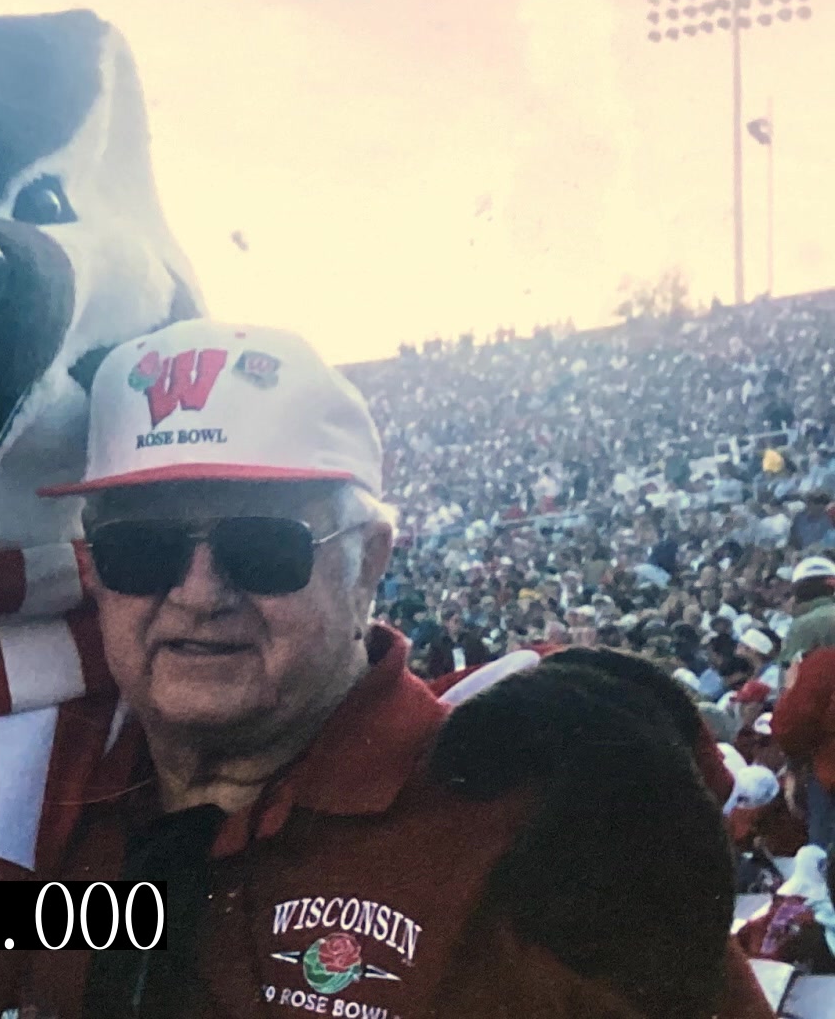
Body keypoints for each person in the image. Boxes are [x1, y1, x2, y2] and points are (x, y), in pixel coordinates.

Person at [41, 320, 769, 1019]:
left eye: (262, 549)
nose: (199, 595)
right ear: (92, 568)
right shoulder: (45, 795)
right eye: (140, 550)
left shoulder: (547, 826)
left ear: (368, 564)